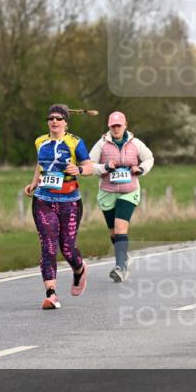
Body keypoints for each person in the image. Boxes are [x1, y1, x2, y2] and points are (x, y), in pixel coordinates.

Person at [24, 104, 94, 307]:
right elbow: (40, 164)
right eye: (51, 118)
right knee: (48, 245)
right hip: (43, 199)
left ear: (65, 122)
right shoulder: (40, 141)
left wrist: (79, 169)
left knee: (68, 248)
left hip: (69, 201)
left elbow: (90, 167)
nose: (54, 121)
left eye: (58, 118)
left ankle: (79, 269)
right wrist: (34, 183)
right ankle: (51, 294)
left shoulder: (75, 143)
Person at [89, 111, 154, 281]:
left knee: (120, 228)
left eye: (119, 125)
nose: (116, 129)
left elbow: (149, 159)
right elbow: (89, 165)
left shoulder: (136, 143)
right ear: (109, 127)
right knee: (112, 232)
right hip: (107, 192)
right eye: (113, 126)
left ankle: (120, 267)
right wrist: (105, 167)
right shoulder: (101, 144)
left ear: (125, 126)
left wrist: (140, 169)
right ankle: (124, 256)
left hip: (129, 190)